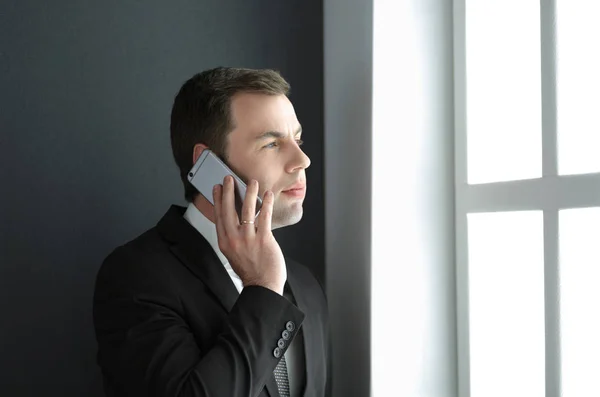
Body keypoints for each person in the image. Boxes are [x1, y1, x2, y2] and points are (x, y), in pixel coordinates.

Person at [92, 67, 331, 397]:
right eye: (273, 143)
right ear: (208, 165)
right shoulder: (135, 277)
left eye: (298, 139)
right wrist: (263, 290)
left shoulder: (306, 284)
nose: (302, 160)